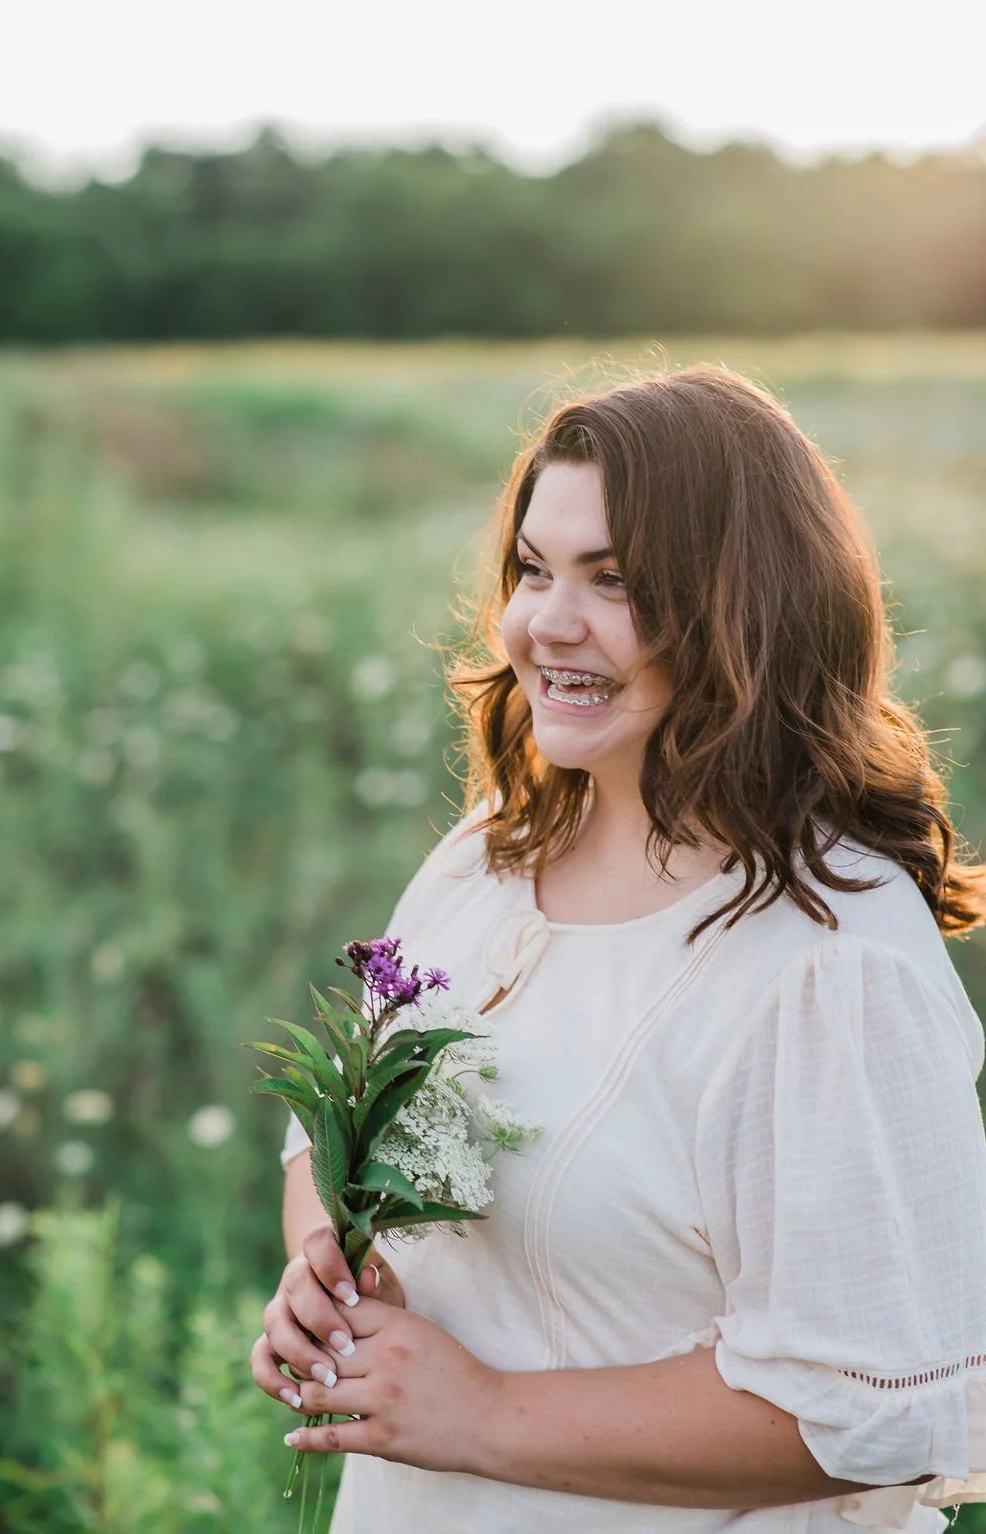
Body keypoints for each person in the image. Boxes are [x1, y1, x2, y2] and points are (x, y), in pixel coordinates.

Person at [251, 364, 986, 1532]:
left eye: (618, 582)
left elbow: (872, 1413)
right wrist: (329, 1275)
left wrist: (481, 1411)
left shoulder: (826, 963)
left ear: (752, 609)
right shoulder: (488, 857)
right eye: (534, 570)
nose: (546, 622)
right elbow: (331, 1133)